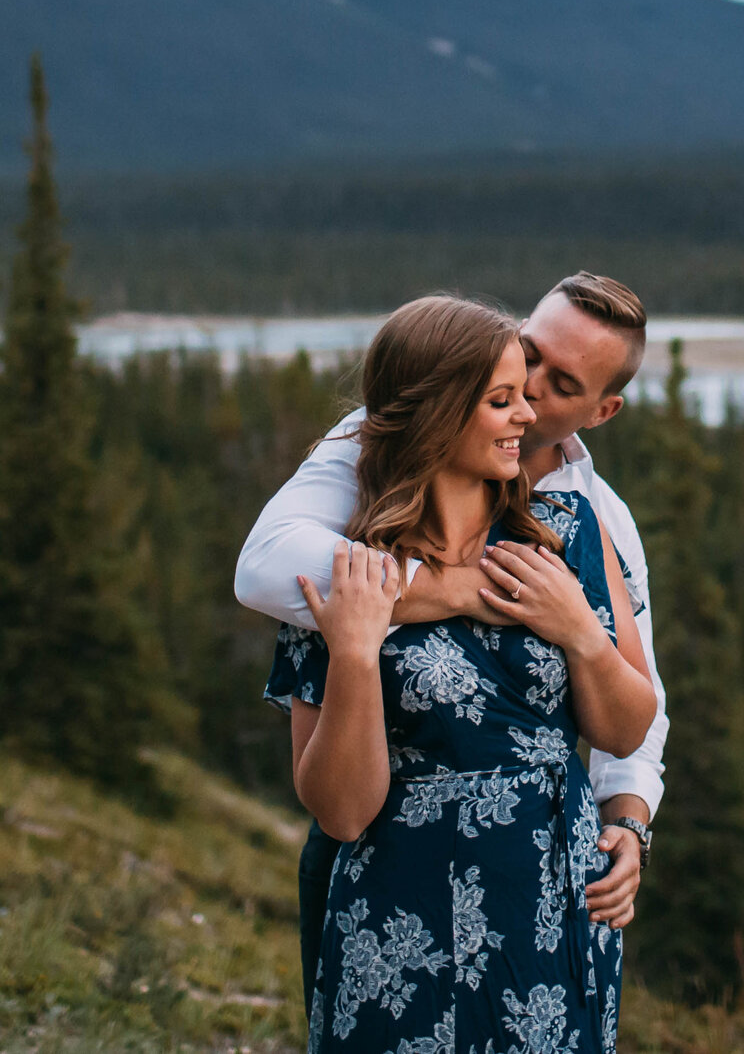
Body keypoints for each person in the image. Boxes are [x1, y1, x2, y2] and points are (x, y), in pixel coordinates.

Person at [234, 274, 667, 1015]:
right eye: (520, 364)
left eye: (555, 385)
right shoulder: (350, 534)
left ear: (600, 410)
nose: (527, 396)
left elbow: (636, 710)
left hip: (545, 899)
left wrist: (626, 819)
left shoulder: (588, 523)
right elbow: (265, 567)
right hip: (390, 893)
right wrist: (447, 591)